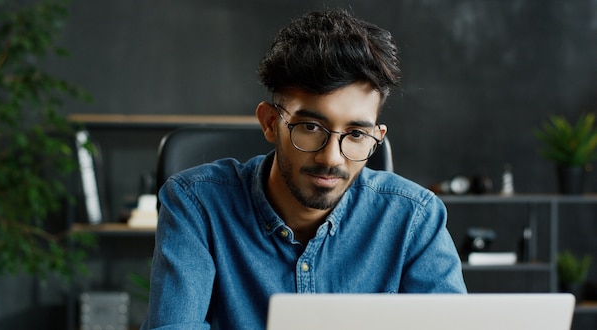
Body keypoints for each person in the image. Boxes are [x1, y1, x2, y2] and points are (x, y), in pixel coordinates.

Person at [141, 9, 466, 330]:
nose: (331, 159)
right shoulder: (197, 204)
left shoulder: (415, 218)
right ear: (270, 123)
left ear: (376, 137)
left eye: (355, 134)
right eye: (311, 127)